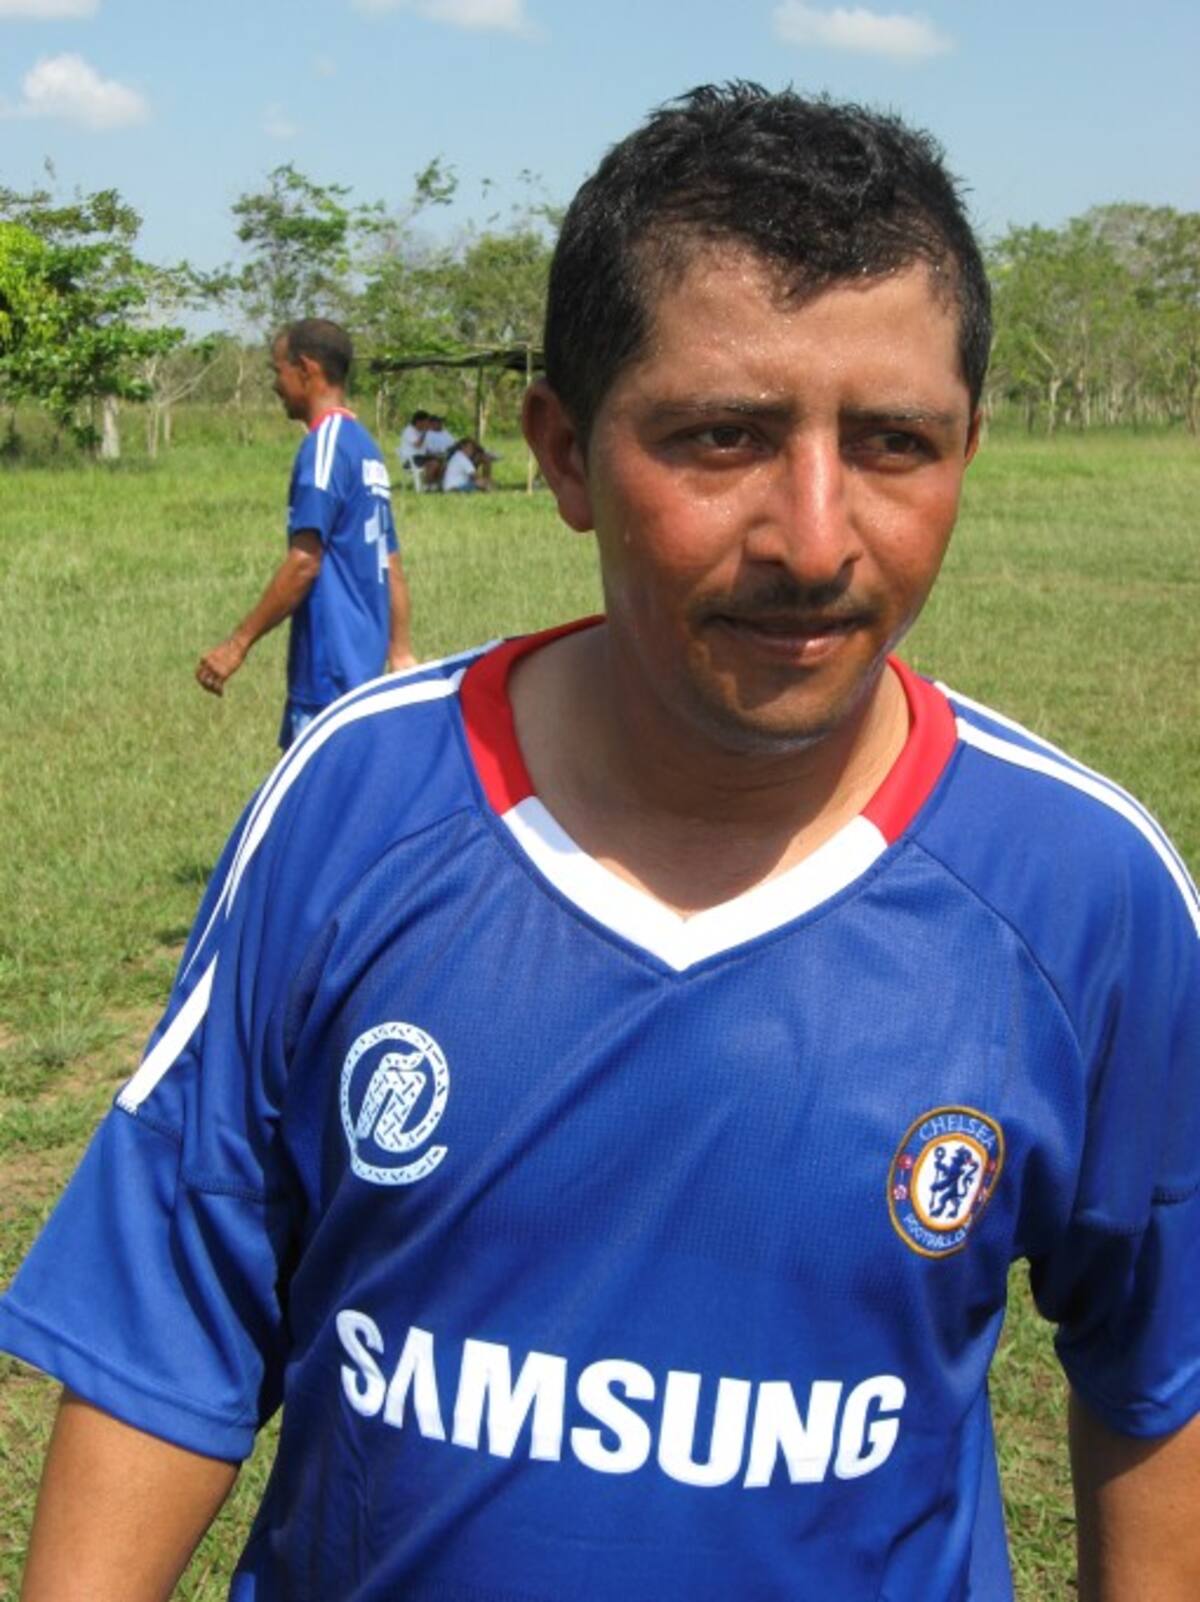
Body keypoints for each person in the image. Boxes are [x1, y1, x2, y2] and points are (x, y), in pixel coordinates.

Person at [3, 84, 1199, 1602]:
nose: (816, 536)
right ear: (565, 453)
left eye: (895, 441)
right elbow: (172, 1313)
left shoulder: (1083, 892)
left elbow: (1162, 1366)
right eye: (722, 436)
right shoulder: (357, 804)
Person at [195, 318, 417, 749]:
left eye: (277, 370)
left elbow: (304, 562)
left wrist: (235, 646)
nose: (276, 385)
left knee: (317, 812)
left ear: (306, 369)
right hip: (362, 674)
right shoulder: (365, 448)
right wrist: (400, 652)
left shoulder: (325, 448)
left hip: (328, 673)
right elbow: (391, 564)